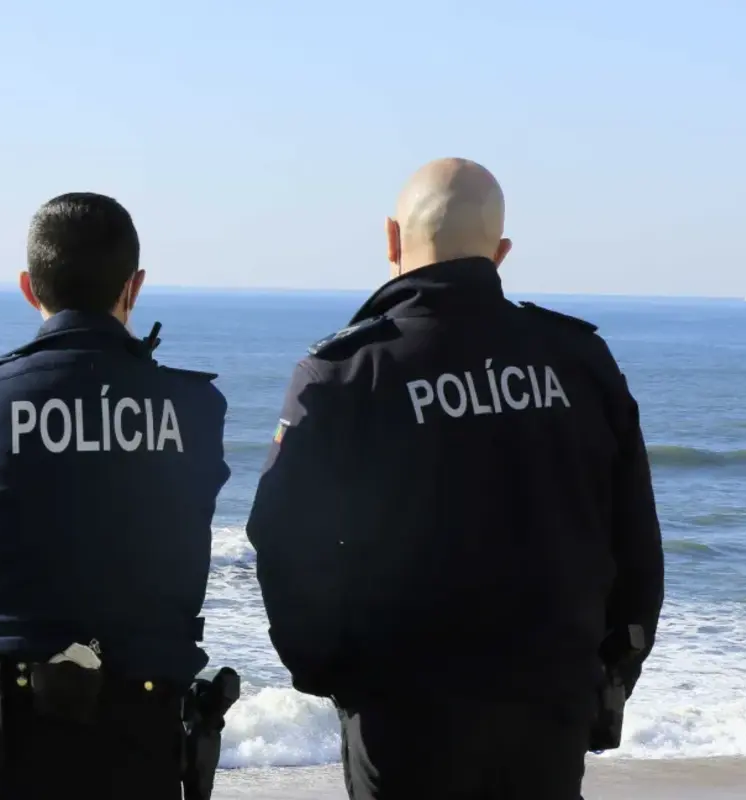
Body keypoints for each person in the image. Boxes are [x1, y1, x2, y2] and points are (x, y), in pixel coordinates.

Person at [245, 158, 665, 800]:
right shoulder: (578, 360)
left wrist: (330, 671)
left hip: (403, 713)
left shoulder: (348, 372)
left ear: (392, 238)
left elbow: (282, 542)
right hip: (551, 702)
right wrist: (612, 668)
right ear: (500, 253)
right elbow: (635, 532)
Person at [0, 192, 231, 800]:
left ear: (28, 286)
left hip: (0, 732)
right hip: (142, 727)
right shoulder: (195, 407)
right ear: (134, 286)